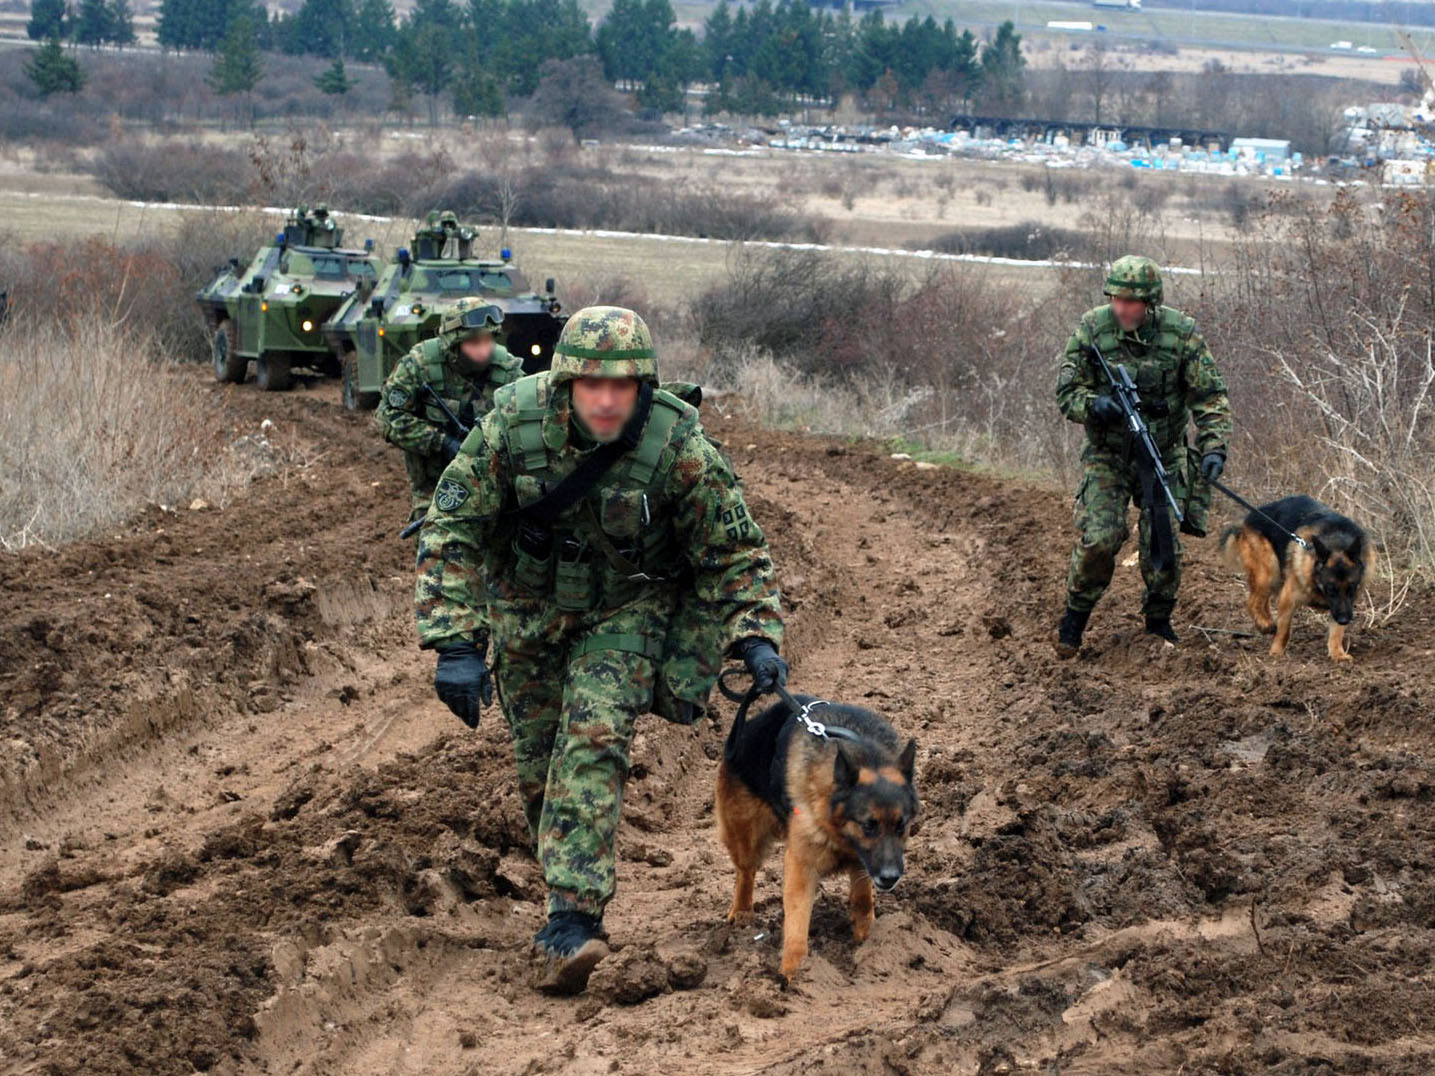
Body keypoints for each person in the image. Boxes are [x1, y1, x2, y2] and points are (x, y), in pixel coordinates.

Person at [413, 305, 787, 994]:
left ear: (643, 385)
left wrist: (755, 634)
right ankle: (565, 888)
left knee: (593, 738)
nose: (608, 399)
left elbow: (734, 552)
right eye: (591, 384)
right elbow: (451, 527)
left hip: (625, 611)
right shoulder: (510, 430)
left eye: (623, 384)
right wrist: (454, 641)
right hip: (525, 613)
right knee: (537, 766)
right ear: (564, 384)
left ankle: (573, 920)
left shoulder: (676, 445)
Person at [1054, 255, 1232, 657]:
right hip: (1108, 454)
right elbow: (1066, 393)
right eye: (1116, 299)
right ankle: (1073, 622)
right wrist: (1093, 404)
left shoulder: (1181, 333)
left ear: (1151, 302)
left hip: (1163, 452)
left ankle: (1158, 623)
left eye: (1132, 302)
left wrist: (1213, 448)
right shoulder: (1092, 328)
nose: (1122, 309)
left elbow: (1210, 397)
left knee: (1163, 540)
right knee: (1101, 537)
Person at [377, 298, 522, 521]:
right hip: (434, 485)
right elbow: (388, 417)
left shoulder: (507, 369)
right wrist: (442, 443)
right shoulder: (419, 365)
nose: (484, 350)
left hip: (494, 484)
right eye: (474, 343)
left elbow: (529, 418)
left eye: (488, 340)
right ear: (453, 344)